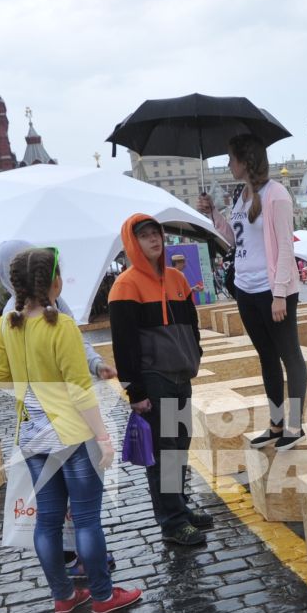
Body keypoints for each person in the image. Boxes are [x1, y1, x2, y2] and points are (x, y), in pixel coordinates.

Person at [0, 247, 140, 613]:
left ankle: (63, 596)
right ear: (51, 281)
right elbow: (78, 389)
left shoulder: (6, 324)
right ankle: (103, 596)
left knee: (48, 521)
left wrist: (32, 391)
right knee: (87, 519)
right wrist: (103, 438)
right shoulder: (61, 325)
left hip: (31, 434)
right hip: (71, 435)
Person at [110, 215, 211, 548]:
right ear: (132, 242)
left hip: (181, 374)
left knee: (180, 444)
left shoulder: (177, 278)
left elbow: (191, 324)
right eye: (145, 236)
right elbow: (124, 344)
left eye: (157, 234)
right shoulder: (125, 286)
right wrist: (135, 390)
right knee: (165, 450)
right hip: (155, 378)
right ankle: (171, 522)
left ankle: (178, 507)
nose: (154, 240)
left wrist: (193, 353)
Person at [213, 133, 305, 450]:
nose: (228, 164)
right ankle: (276, 425)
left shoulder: (276, 194)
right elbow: (235, 240)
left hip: (273, 289)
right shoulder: (242, 195)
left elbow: (284, 247)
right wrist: (214, 215)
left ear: (245, 160)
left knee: (289, 355)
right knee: (266, 358)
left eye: (231, 158)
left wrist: (280, 292)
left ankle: (295, 426)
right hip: (246, 288)